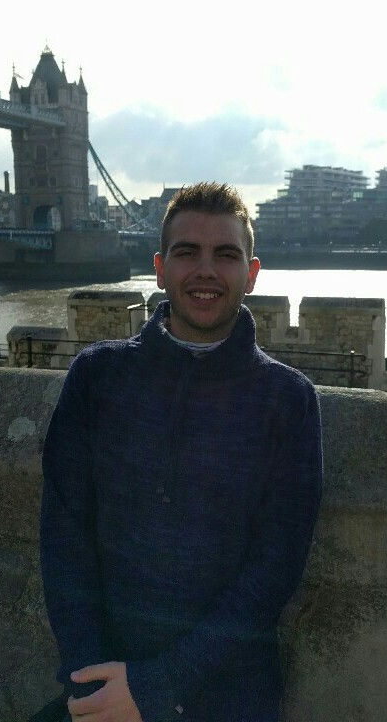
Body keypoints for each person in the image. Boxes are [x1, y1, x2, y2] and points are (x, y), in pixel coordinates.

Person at [40, 182, 323, 722]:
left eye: (226, 255)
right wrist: (89, 675)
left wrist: (158, 687)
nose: (205, 271)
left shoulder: (288, 401)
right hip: (103, 689)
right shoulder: (96, 377)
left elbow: (274, 569)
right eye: (187, 252)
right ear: (159, 269)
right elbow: (64, 537)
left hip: (231, 699)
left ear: (252, 273)